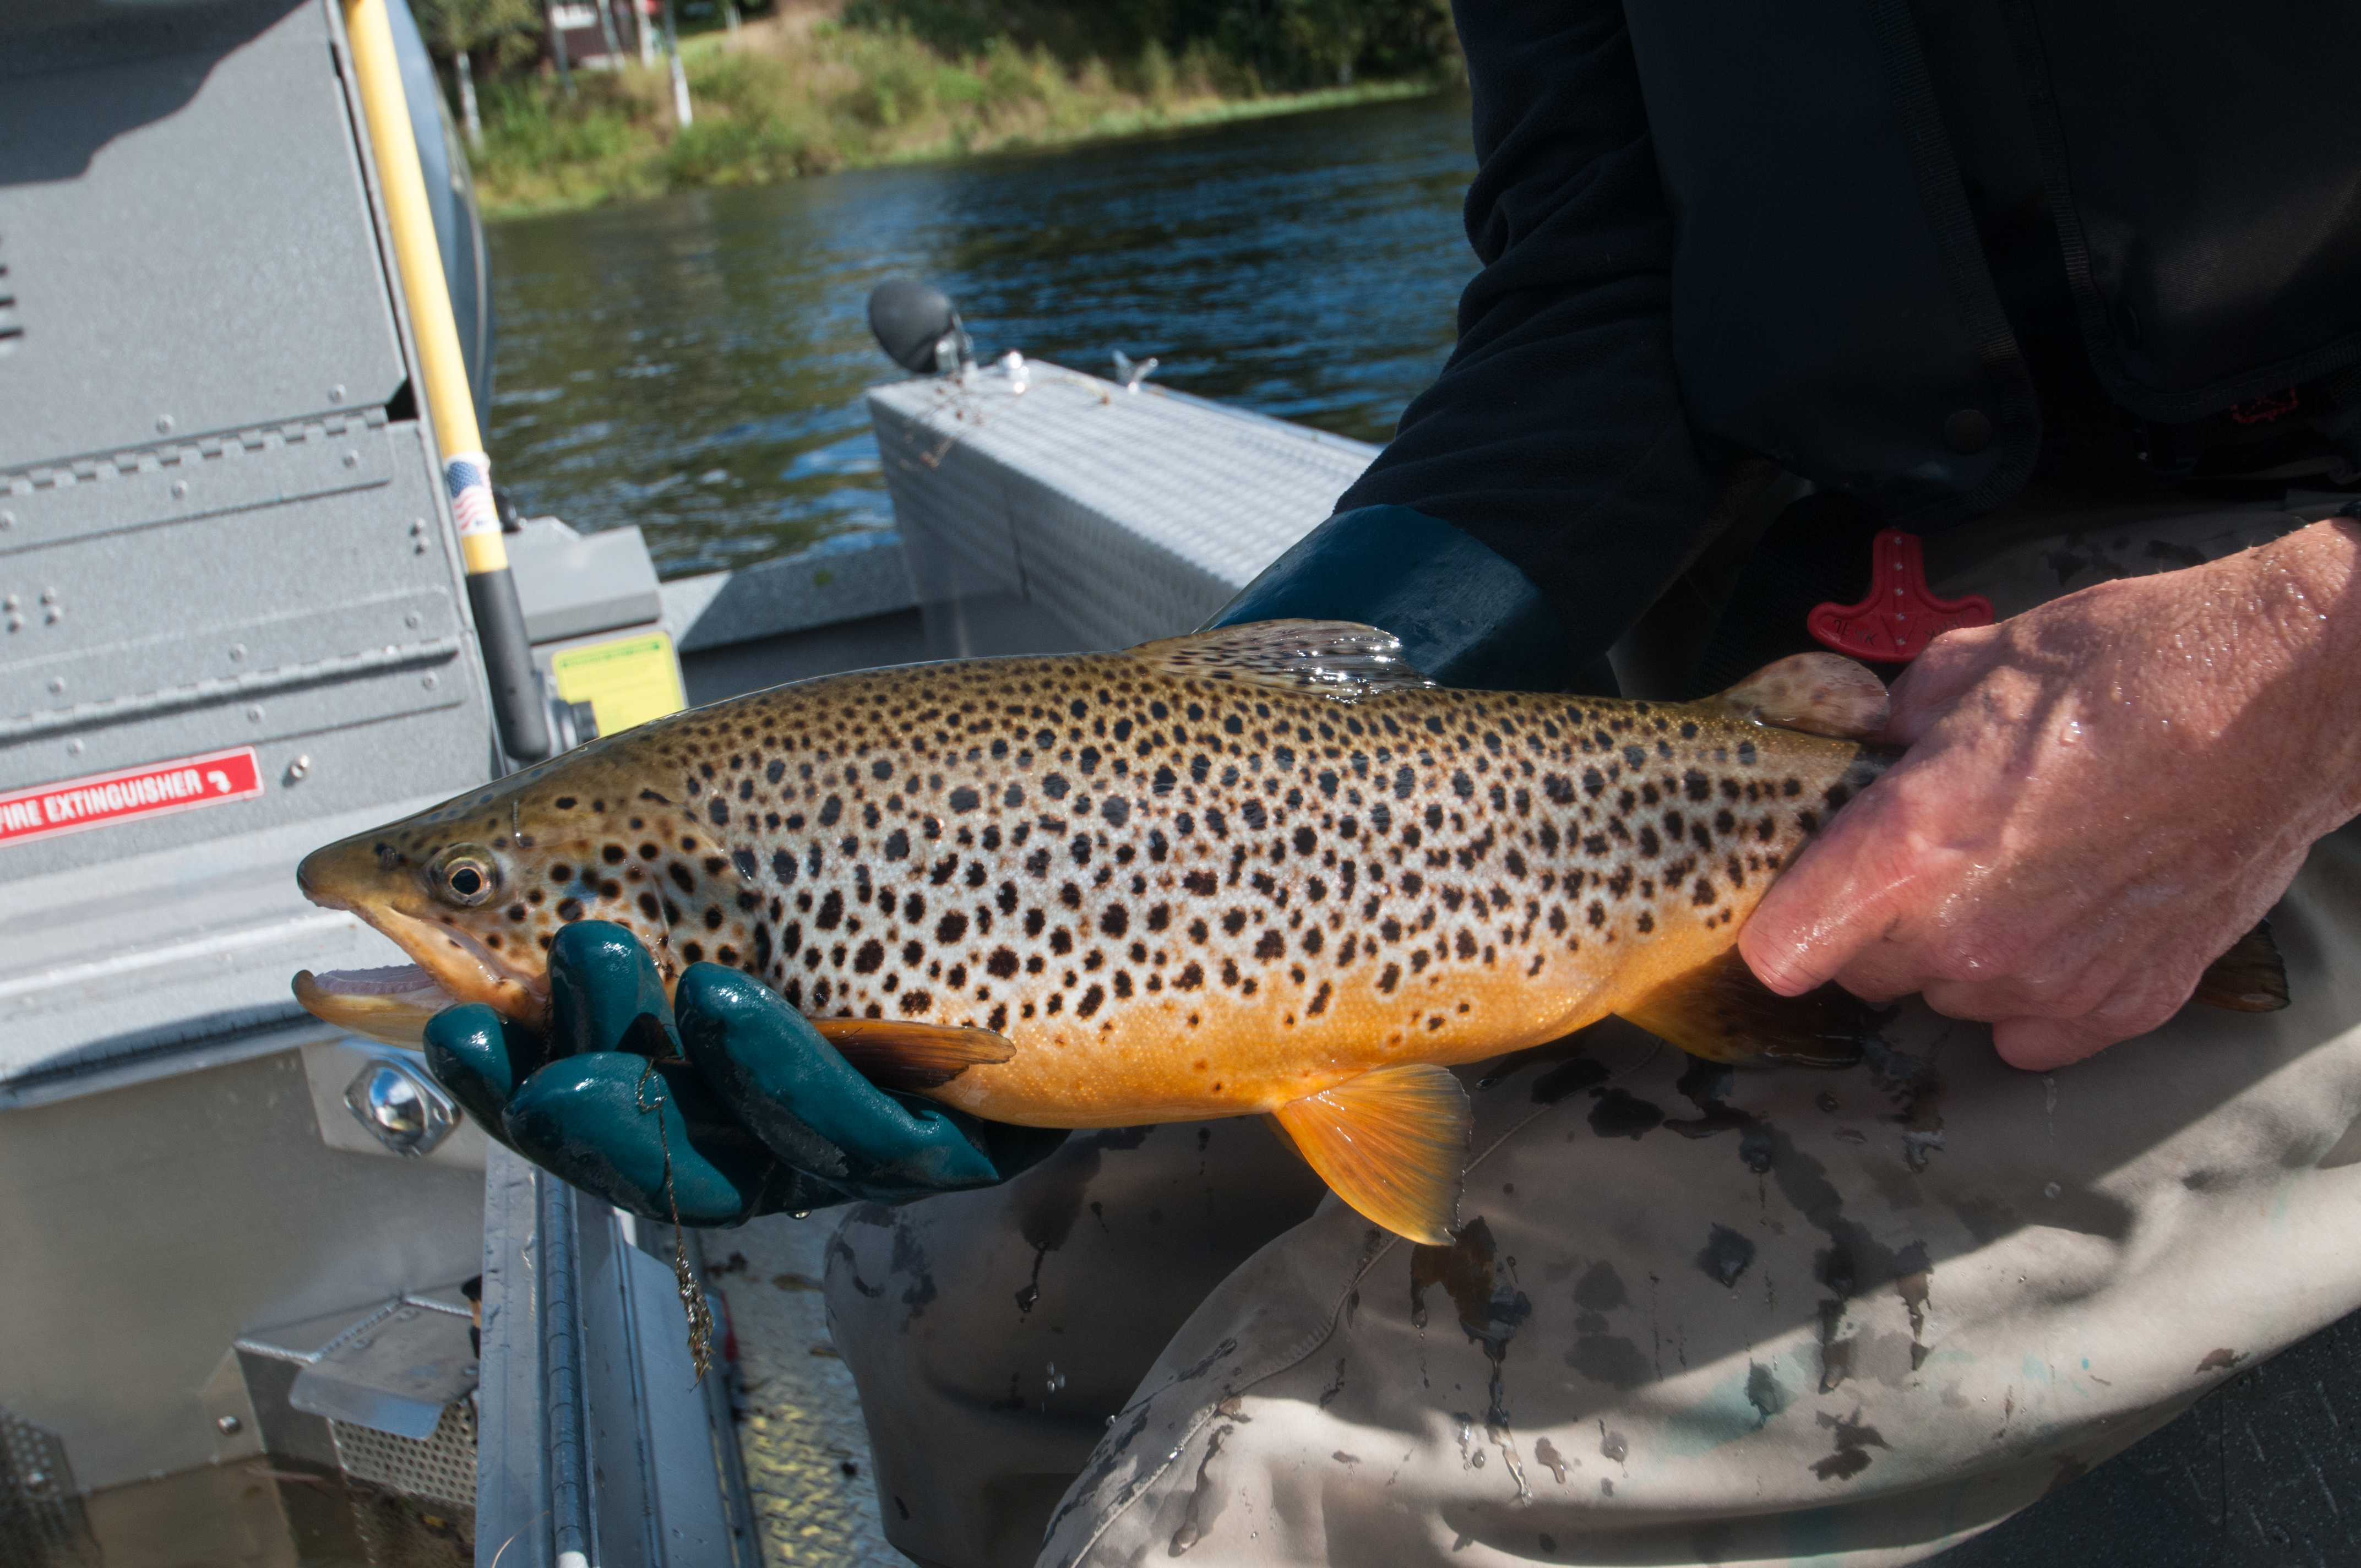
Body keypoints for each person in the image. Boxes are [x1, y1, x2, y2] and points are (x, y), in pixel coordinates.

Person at [428, 3, 2361, 1562]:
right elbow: (1604, 296)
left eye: (466, 899)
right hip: (1778, 696)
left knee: (1283, 1506)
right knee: (955, 1310)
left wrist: (2296, 684)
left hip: (2305, 660)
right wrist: (1223, 777)